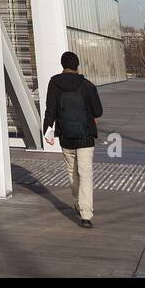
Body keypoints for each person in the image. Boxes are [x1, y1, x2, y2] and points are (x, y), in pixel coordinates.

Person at [43, 51, 103, 228]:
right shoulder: (87, 85)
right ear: (77, 66)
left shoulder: (54, 82)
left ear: (62, 65)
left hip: (66, 137)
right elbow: (98, 111)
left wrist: (48, 132)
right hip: (85, 137)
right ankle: (86, 214)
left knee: (72, 172)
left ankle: (78, 202)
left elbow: (50, 108)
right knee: (85, 174)